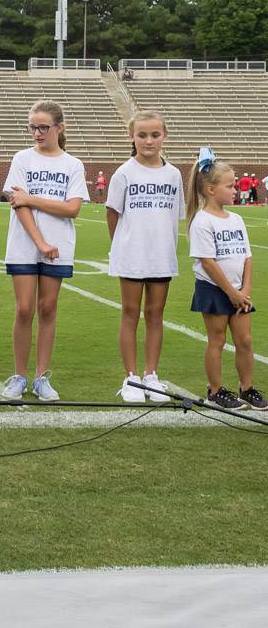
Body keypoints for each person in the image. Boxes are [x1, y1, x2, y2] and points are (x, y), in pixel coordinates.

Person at [0, 101, 88, 402]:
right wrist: (39, 243)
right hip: (26, 245)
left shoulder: (72, 164)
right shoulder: (22, 159)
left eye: (43, 128)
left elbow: (72, 208)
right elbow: (17, 204)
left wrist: (32, 199)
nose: (37, 133)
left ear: (59, 128)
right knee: (24, 309)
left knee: (48, 309)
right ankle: (19, 376)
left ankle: (41, 377)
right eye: (33, 128)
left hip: (59, 245)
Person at [106, 110, 182, 403]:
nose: (148, 141)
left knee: (155, 315)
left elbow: (173, 216)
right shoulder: (124, 172)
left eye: (154, 135)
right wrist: (123, 244)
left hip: (161, 255)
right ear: (132, 137)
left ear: (164, 136)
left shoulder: (173, 174)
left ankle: (151, 375)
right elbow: (112, 212)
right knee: (129, 313)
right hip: (132, 255)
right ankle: (132, 377)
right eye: (142, 135)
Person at [185, 149, 264, 409]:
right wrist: (231, 292)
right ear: (210, 189)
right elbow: (208, 262)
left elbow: (247, 257)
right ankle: (216, 390)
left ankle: (247, 387)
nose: (235, 190)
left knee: (245, 340)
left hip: (239, 291)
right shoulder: (202, 221)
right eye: (229, 185)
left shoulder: (237, 218)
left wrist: (245, 290)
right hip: (215, 289)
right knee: (217, 339)